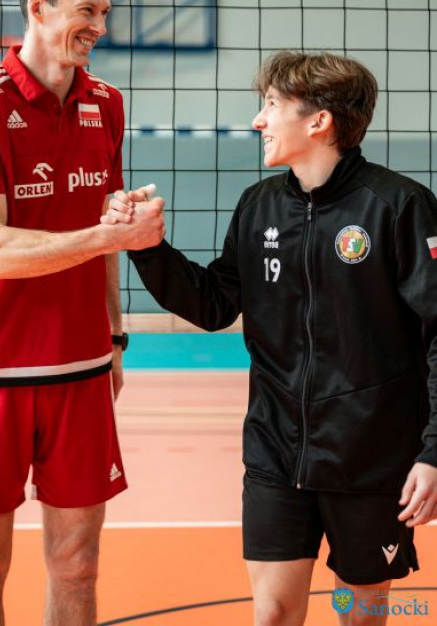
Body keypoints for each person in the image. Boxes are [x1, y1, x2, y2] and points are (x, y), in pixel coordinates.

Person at [103, 51, 437, 626]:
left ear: (319, 121)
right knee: (273, 614)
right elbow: (214, 303)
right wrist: (147, 248)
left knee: (362, 614)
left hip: (370, 456)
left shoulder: (399, 206)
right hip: (274, 450)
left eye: (273, 105)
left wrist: (433, 452)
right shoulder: (260, 205)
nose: (259, 120)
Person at [0, 0, 164, 626]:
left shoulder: (106, 103)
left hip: (81, 367)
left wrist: (114, 336)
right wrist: (110, 237)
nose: (99, 26)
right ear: (38, 6)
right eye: (86, 11)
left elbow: (104, 227)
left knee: (79, 567)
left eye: (105, 12)